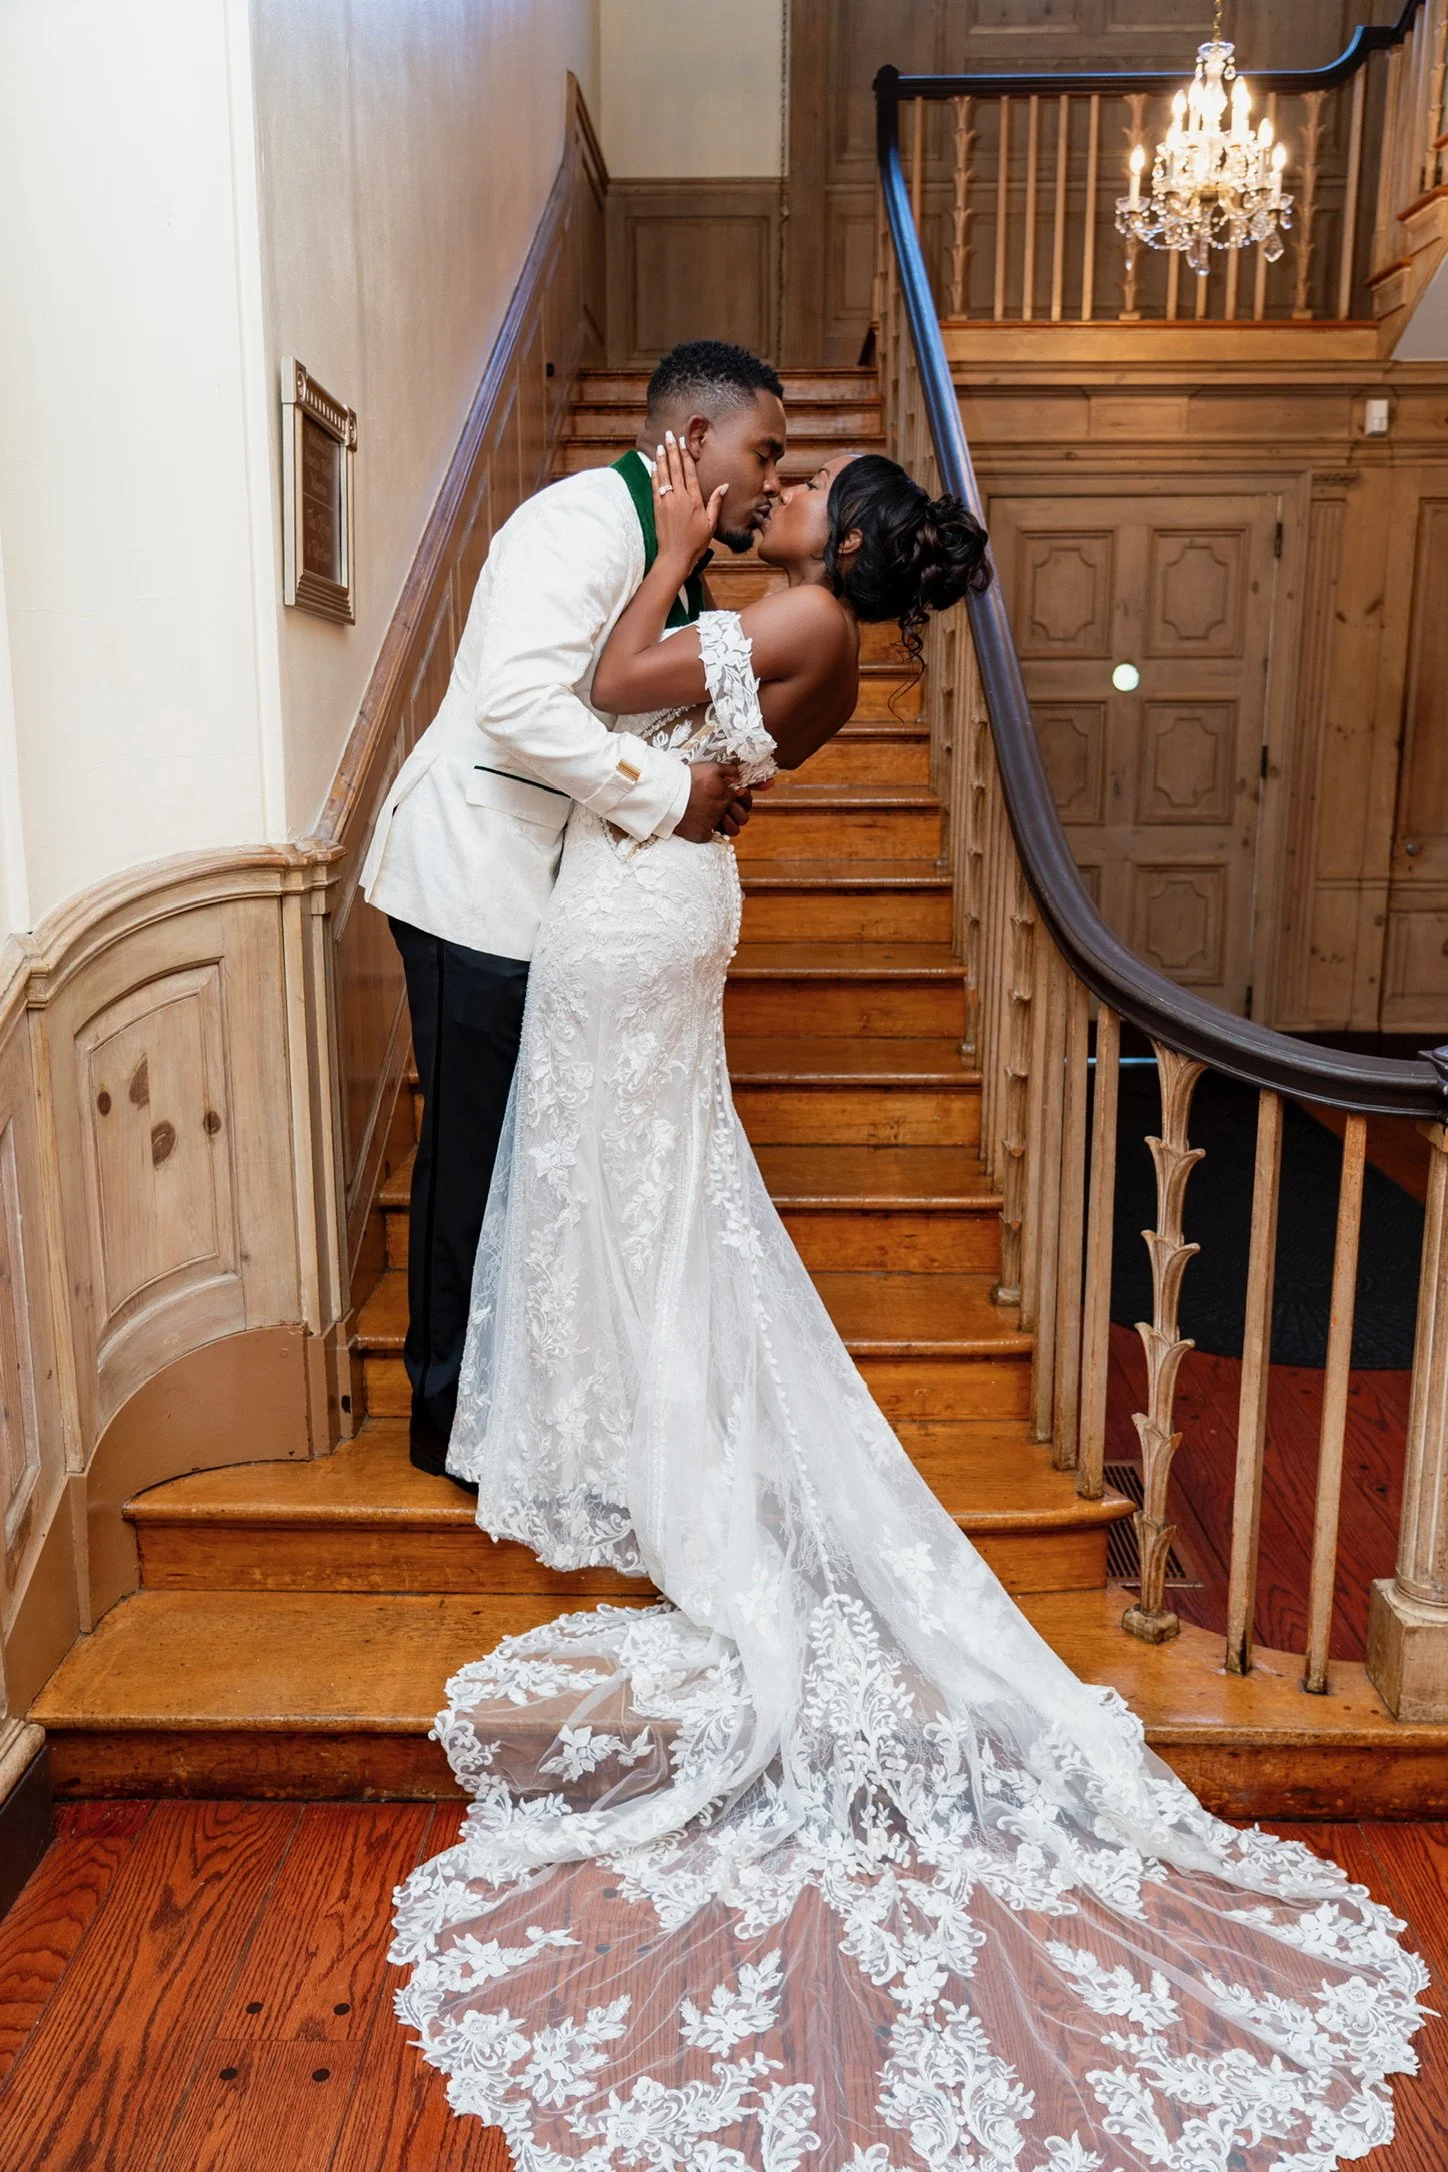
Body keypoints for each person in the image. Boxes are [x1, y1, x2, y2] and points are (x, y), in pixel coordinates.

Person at [391, 441, 1427, 2169]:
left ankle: (644, 1437)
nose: (776, 492)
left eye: (802, 490)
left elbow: (598, 685)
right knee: (656, 1193)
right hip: (666, 896)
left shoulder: (787, 608)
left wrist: (676, 550)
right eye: (769, 477)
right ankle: (623, 1413)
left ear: (842, 541)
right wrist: (704, 603)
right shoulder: (830, 639)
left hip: (637, 912)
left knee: (641, 1189)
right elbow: (687, 731)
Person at [360, 342, 788, 1486]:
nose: (770, 480)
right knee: (471, 1154)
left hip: (544, 893)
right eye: (764, 451)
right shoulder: (579, 525)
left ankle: (506, 1399)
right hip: (472, 882)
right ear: (694, 444)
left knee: (519, 1155)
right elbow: (513, 706)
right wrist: (668, 796)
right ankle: (444, 1420)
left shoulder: (674, 555)